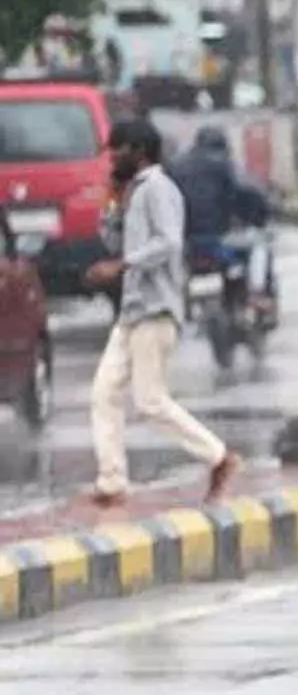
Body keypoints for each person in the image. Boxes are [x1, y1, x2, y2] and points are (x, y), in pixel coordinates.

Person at [83, 118, 241, 508]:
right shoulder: (133, 193)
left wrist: (122, 266)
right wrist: (111, 205)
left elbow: (169, 243)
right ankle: (112, 481)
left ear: (138, 150)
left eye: (117, 150)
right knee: (104, 393)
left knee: (151, 402)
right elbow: (113, 239)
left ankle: (219, 457)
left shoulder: (159, 189)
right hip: (133, 311)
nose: (112, 159)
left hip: (156, 310)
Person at [168, 125, 276, 330]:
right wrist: (261, 212)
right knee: (261, 242)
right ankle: (257, 293)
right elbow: (247, 192)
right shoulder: (223, 165)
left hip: (186, 241)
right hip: (218, 237)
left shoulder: (176, 168)